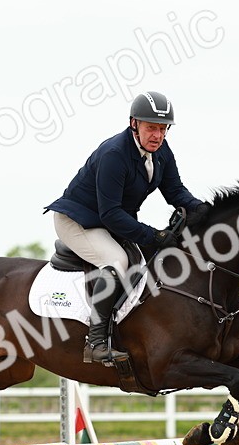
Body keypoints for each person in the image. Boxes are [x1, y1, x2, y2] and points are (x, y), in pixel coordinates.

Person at [45, 91, 208, 364]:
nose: (158, 135)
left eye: (163, 129)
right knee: (117, 261)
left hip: (110, 221)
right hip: (78, 221)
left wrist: (201, 208)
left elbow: (175, 191)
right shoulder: (115, 154)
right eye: (151, 128)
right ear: (134, 123)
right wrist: (154, 235)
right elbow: (110, 214)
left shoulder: (161, 151)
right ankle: (95, 342)